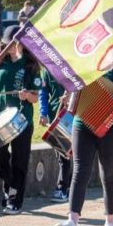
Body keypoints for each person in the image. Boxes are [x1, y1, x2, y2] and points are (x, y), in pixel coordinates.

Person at [53, 56, 113, 226]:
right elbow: (73, 85)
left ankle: (110, 223)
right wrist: (69, 96)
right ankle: (72, 222)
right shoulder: (83, 58)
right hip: (83, 120)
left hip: (112, 124)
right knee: (80, 171)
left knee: (109, 174)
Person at [0, 25, 41, 215]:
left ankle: (15, 199)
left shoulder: (30, 66)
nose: (12, 46)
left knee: (20, 159)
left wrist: (27, 96)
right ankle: (11, 186)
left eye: (16, 43)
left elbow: (36, 97)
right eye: (8, 43)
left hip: (21, 119)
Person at [39, 68, 71, 203]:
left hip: (70, 115)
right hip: (54, 116)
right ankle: (66, 187)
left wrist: (70, 98)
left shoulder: (73, 67)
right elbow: (43, 93)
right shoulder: (47, 70)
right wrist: (43, 112)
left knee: (65, 153)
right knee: (61, 153)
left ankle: (63, 188)